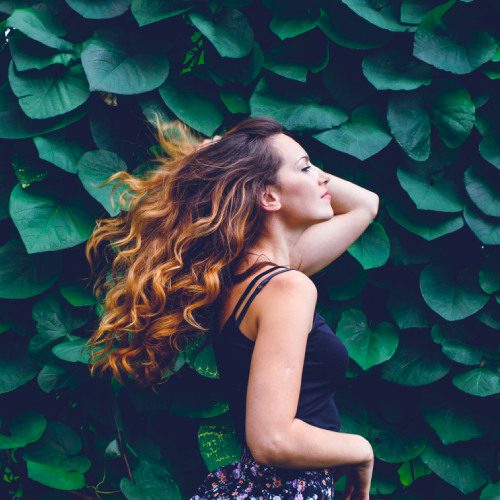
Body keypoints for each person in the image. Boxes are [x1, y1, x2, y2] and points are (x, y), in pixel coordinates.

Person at [84, 116, 378, 499]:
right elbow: (272, 439)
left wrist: (247, 154)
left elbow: (365, 205)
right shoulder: (286, 286)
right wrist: (361, 450)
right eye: (306, 168)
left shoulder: (248, 276)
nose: (322, 177)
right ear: (268, 197)